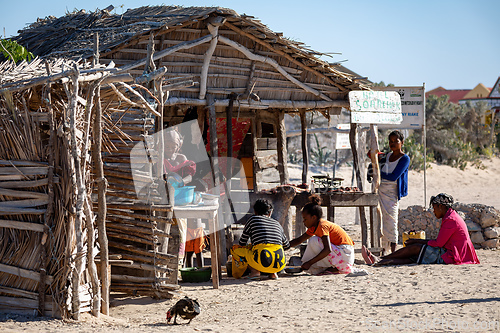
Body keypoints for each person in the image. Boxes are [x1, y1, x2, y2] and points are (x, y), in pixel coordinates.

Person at [362, 193, 480, 266]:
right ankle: (381, 261)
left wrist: (417, 241)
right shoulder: (450, 216)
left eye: (434, 208)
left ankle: (380, 259)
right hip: (453, 253)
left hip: (453, 256)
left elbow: (438, 243)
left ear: (441, 206)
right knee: (414, 256)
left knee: (415, 248)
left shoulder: (451, 220)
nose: (434, 212)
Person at [289, 195, 355, 275]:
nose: (303, 221)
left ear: (313, 218)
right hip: (341, 255)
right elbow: (299, 240)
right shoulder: (314, 227)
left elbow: (328, 249)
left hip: (345, 256)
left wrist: (309, 263)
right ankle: (330, 266)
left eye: (305, 219)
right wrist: (284, 246)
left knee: (315, 240)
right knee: (314, 240)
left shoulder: (322, 226)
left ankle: (333, 267)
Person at [370, 130, 410, 254]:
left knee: (391, 221)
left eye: (396, 141)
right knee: (380, 221)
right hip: (381, 190)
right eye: (391, 141)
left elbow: (393, 176)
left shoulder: (405, 159)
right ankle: (383, 250)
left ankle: (393, 251)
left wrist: (378, 172)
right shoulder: (387, 156)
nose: (393, 144)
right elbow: (376, 160)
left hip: (392, 192)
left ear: (402, 142)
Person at [234, 199, 290, 280]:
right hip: (279, 265)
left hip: (259, 261)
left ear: (255, 211)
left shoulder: (253, 219)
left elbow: (242, 243)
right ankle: (273, 273)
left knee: (235, 250)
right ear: (270, 212)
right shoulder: (277, 224)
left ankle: (255, 271)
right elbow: (287, 246)